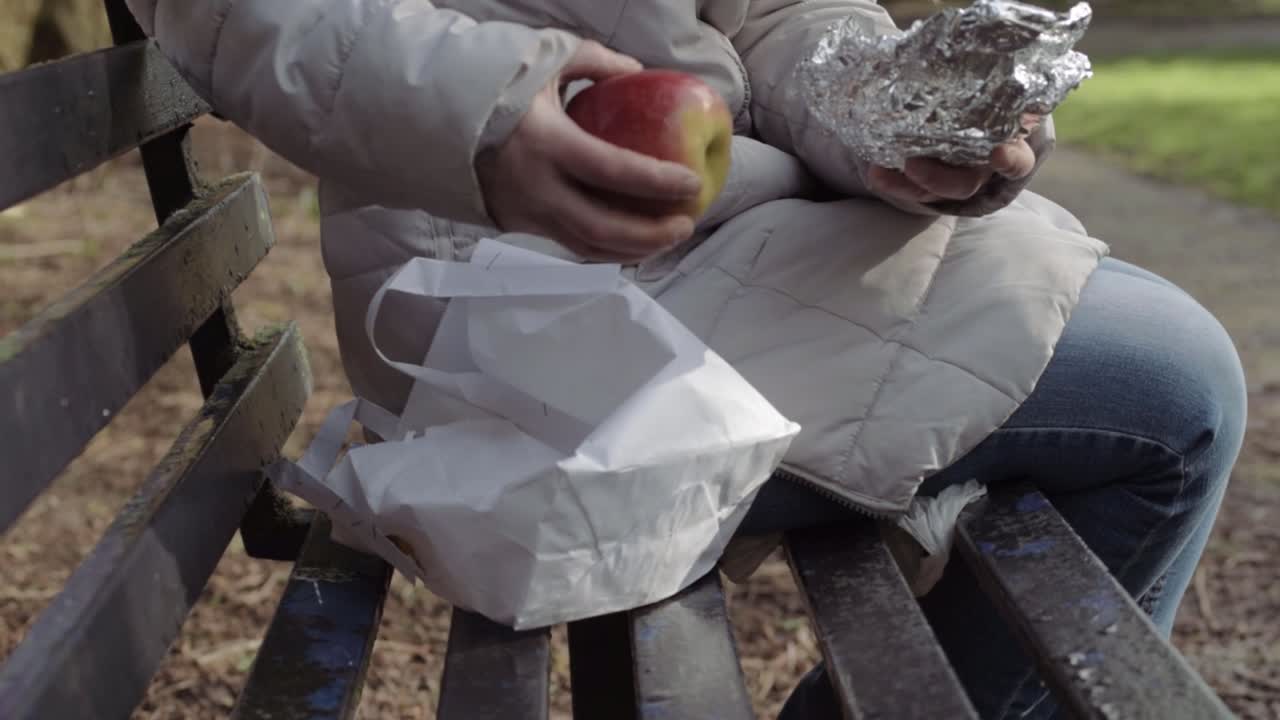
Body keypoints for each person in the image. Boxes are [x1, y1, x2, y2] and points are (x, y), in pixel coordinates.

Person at [124, 1, 1246, 717]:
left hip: (699, 242)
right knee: (1171, 391)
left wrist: (875, 113)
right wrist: (488, 114)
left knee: (1146, 337)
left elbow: (759, 14)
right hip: (529, 310)